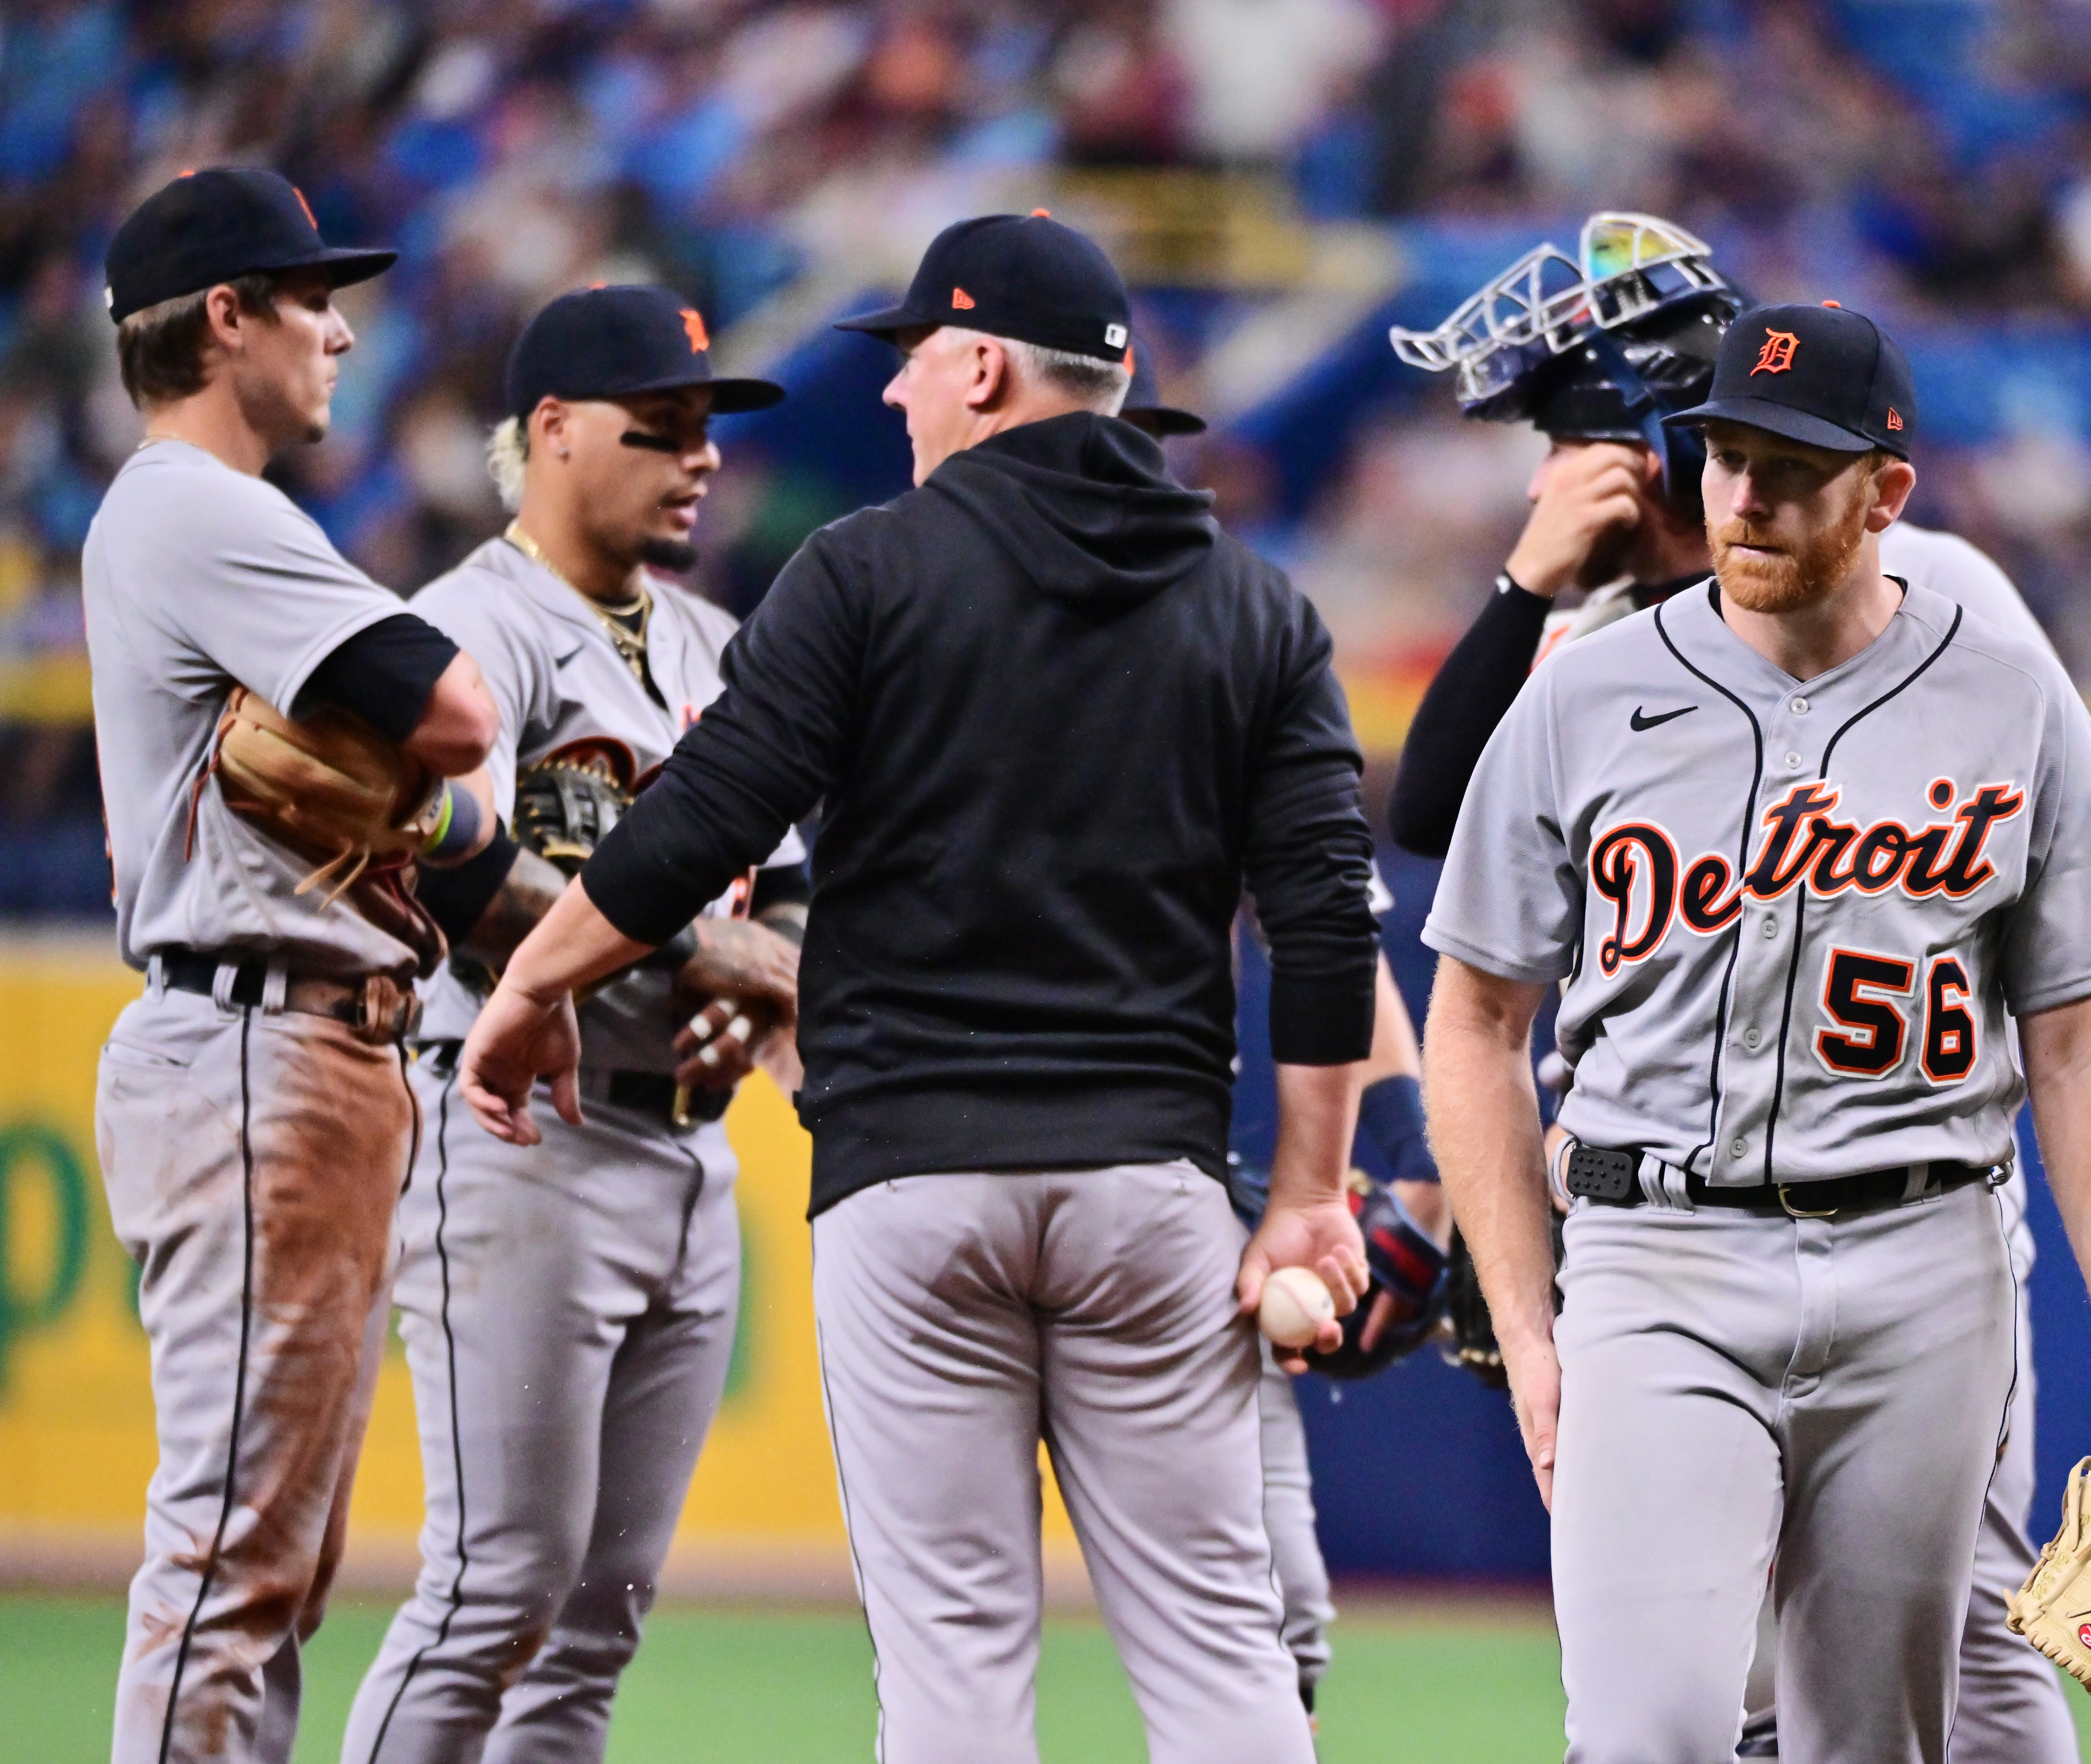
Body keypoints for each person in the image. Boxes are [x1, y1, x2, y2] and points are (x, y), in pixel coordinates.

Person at [449, 213, 1376, 1764]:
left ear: (986, 364)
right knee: (1222, 1650)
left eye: (915, 359)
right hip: (1145, 1186)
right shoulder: (1256, 608)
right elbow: (1328, 930)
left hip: (913, 1186)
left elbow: (696, 825)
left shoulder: (866, 571)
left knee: (953, 1660)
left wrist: (528, 981)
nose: (893, 397)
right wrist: (1310, 1194)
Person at [1420, 299, 2091, 1764]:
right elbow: (1473, 1018)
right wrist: (1528, 1325)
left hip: (1925, 1262)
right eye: (1723, 454)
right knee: (1647, 1728)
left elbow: (2085, 1043)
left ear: (1886, 492)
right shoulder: (1586, 689)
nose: (1747, 493)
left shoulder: (2005, 688)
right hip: (1659, 1254)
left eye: (1791, 463)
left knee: (1875, 1737)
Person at [341, 286, 803, 1764]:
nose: (700, 457)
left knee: (594, 1623)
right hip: (518, 1138)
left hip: (686, 1155)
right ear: (548, 432)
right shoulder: (470, 626)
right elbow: (435, 861)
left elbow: (787, 894)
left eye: (705, 433)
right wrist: (703, 944)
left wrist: (758, 976)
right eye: (657, 429)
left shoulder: (719, 639)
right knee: (495, 1591)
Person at [83, 166, 500, 1764]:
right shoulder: (199, 505)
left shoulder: (192, 517)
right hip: (262, 1046)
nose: (340, 328)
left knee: (269, 1554)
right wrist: (448, 792)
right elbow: (459, 711)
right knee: (231, 1553)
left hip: (291, 1042)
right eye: (308, 296)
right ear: (226, 317)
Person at [1123, 340, 1454, 1721]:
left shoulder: (1221, 661)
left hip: (1155, 1197)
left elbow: (1326, 930)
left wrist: (1411, 1175)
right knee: (961, 1619)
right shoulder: (891, 623)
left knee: (1274, 1623)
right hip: (968, 1176)